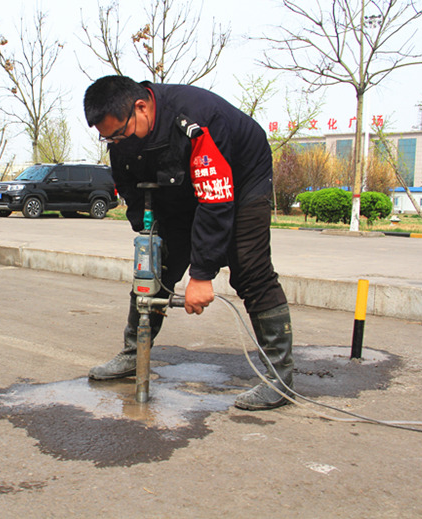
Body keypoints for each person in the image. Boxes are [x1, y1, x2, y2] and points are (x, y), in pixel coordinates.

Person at [83, 75, 293, 411]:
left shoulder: (198, 120)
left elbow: (215, 199)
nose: (116, 142)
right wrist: (148, 235)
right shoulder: (121, 137)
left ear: (141, 107)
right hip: (182, 186)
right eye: (108, 138)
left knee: (250, 270)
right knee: (155, 267)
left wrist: (202, 274)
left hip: (241, 179)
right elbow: (130, 187)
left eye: (119, 133)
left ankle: (279, 378)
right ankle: (132, 353)